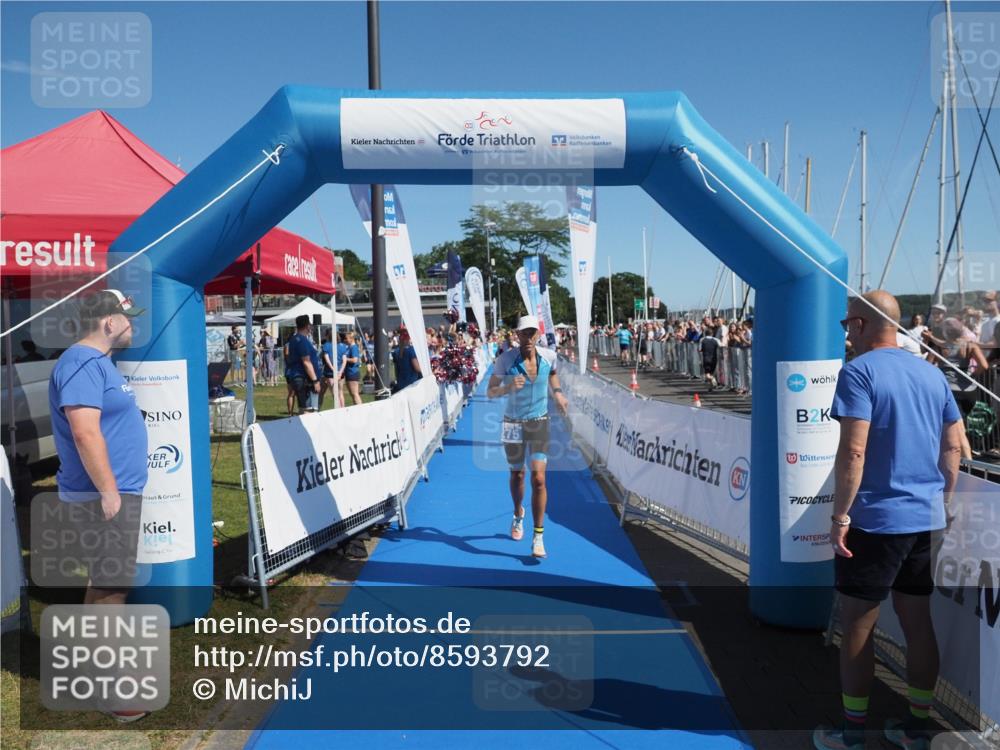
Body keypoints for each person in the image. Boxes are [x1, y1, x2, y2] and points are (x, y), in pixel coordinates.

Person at [814, 290, 963, 750]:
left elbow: (853, 451)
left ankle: (854, 734)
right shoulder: (931, 374)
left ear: (859, 325)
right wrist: (944, 503)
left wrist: (840, 515)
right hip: (924, 518)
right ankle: (918, 727)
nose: (845, 334)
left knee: (858, 624)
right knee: (918, 622)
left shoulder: (858, 373)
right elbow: (953, 448)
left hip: (875, 520)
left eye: (845, 326)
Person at [48, 289, 150, 723]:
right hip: (103, 496)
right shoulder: (82, 363)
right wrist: (109, 491)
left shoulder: (96, 363)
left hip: (112, 492)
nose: (133, 325)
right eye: (128, 318)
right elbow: (85, 432)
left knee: (105, 581)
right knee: (112, 586)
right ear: (109, 322)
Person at [486, 315, 569, 559]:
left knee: (539, 479)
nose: (529, 337)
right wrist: (508, 387)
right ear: (517, 334)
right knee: (517, 474)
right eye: (524, 333)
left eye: (533, 333)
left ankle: (538, 535)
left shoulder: (549, 356)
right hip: (512, 424)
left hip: (539, 421)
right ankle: (517, 513)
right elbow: (491, 392)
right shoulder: (505, 360)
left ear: (538, 335)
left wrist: (558, 394)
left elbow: (553, 373)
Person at [285, 315, 321, 414]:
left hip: (298, 377)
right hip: (305, 379)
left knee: (303, 408)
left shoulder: (294, 339)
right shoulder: (302, 341)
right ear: (307, 326)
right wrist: (315, 380)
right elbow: (306, 362)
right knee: (309, 410)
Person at [391, 326, 423, 392]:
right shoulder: (411, 350)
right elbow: (417, 368)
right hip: (412, 384)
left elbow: (396, 370)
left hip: (401, 384)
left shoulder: (396, 352)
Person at [699, 324, 722, 390]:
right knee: (711, 372)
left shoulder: (702, 340)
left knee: (707, 374)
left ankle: (712, 379)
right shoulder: (716, 340)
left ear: (705, 333)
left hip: (706, 358)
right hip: (714, 358)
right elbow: (721, 346)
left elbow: (699, 349)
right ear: (712, 334)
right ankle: (710, 387)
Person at [343, 331, 363, 406]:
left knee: (355, 394)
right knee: (353, 394)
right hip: (349, 372)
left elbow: (355, 360)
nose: (345, 340)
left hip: (353, 372)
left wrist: (345, 359)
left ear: (352, 339)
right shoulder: (349, 347)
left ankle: (360, 410)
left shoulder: (354, 347)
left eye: (346, 338)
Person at [319, 330, 338, 410]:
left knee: (334, 394)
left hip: (328, 373)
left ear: (327, 336)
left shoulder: (326, 345)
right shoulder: (339, 345)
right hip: (332, 372)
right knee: (335, 394)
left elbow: (322, 358)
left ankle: (317, 409)